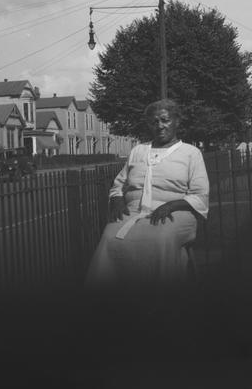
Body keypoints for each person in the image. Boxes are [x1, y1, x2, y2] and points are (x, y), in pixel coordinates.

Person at [83, 99, 209, 292]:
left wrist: (170, 206)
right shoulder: (138, 151)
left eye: (165, 120)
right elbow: (119, 184)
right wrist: (117, 200)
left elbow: (200, 194)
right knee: (110, 238)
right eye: (154, 121)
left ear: (177, 121)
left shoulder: (191, 153)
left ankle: (161, 297)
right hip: (134, 212)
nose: (159, 126)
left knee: (159, 238)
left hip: (177, 211)